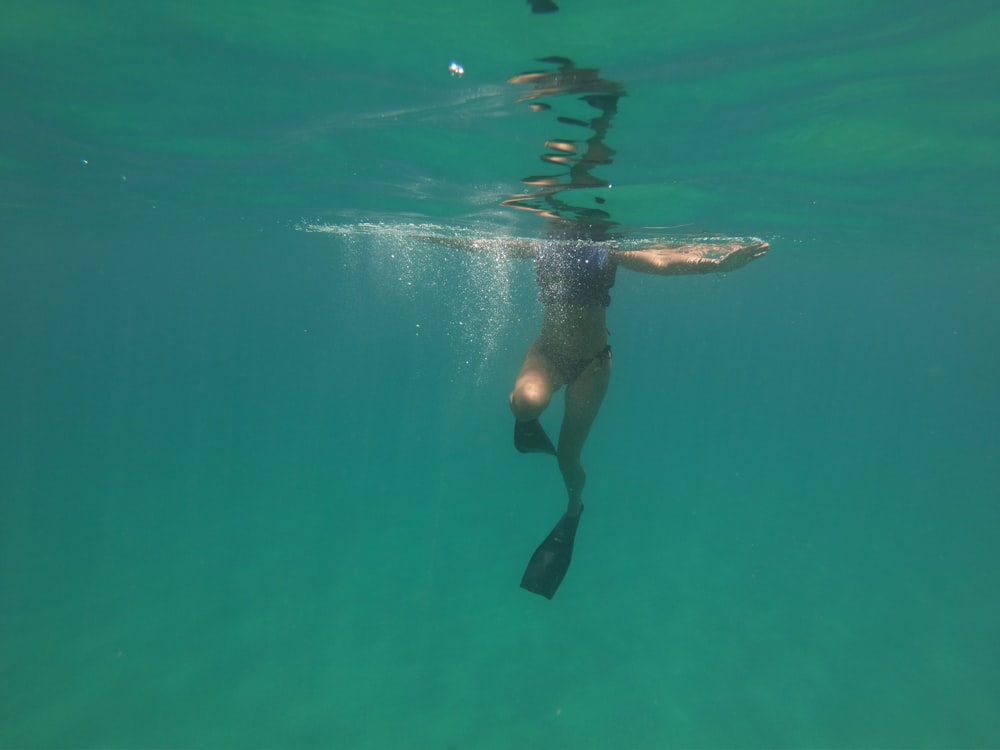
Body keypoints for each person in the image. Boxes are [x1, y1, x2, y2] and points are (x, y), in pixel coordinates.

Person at [423, 229, 769, 597]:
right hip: (549, 353)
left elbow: (659, 260)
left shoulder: (606, 249)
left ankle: (573, 511)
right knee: (524, 403)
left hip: (592, 365)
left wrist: (712, 264)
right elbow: (487, 242)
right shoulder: (544, 245)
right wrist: (428, 231)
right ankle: (527, 425)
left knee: (568, 459)